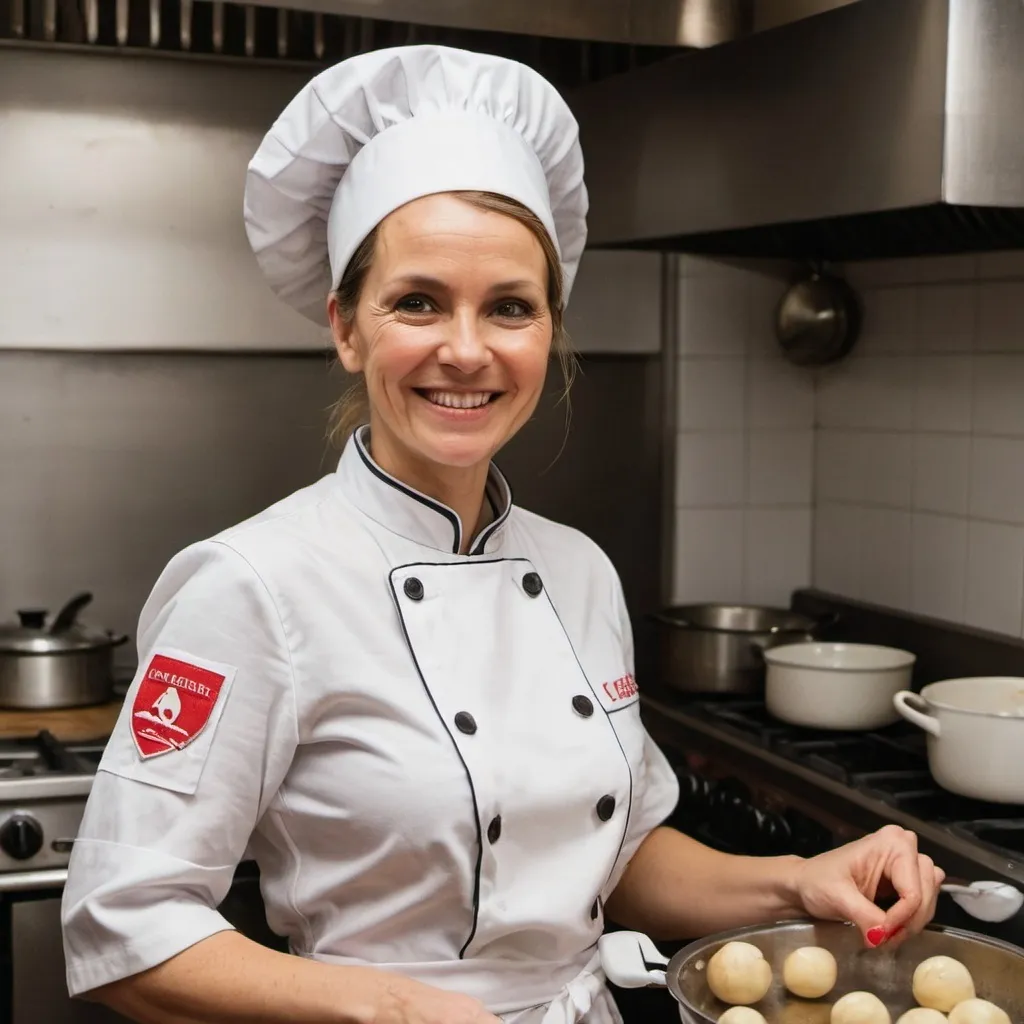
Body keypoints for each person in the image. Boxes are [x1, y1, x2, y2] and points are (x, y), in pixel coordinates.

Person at [61, 44, 944, 1024]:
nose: (467, 350)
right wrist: (401, 1007)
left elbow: (617, 858)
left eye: (510, 308)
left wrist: (796, 880)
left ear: (549, 332)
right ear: (346, 327)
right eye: (418, 301)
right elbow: (121, 927)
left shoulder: (577, 569)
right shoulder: (254, 584)